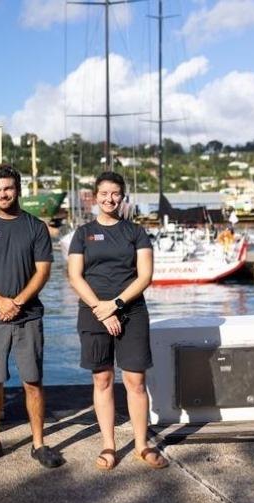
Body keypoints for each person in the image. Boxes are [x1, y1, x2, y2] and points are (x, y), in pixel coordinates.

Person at [67, 171, 168, 471]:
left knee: (136, 381)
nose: (109, 199)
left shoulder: (135, 232)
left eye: (115, 194)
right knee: (103, 378)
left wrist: (116, 305)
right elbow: (75, 276)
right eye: (104, 194)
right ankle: (109, 445)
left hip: (131, 310)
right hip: (93, 310)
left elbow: (145, 275)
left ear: (122, 197)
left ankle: (141, 445)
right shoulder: (83, 234)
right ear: (94, 197)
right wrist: (101, 308)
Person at [0, 163, 64, 469]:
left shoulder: (35, 227)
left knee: (32, 381)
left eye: (8, 188)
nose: (3, 194)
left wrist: (18, 302)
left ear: (18, 189)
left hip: (28, 316)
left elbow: (43, 271)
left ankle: (39, 444)